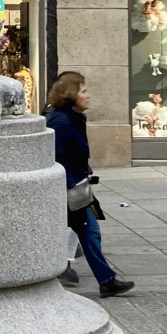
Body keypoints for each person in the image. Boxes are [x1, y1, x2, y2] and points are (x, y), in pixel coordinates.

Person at [47, 71, 134, 298]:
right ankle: (105, 281)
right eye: (83, 91)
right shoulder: (60, 120)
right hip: (67, 190)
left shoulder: (76, 118)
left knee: (87, 231)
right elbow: (53, 157)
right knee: (87, 231)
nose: (88, 96)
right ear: (71, 94)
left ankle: (106, 281)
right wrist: (70, 184)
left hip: (76, 188)